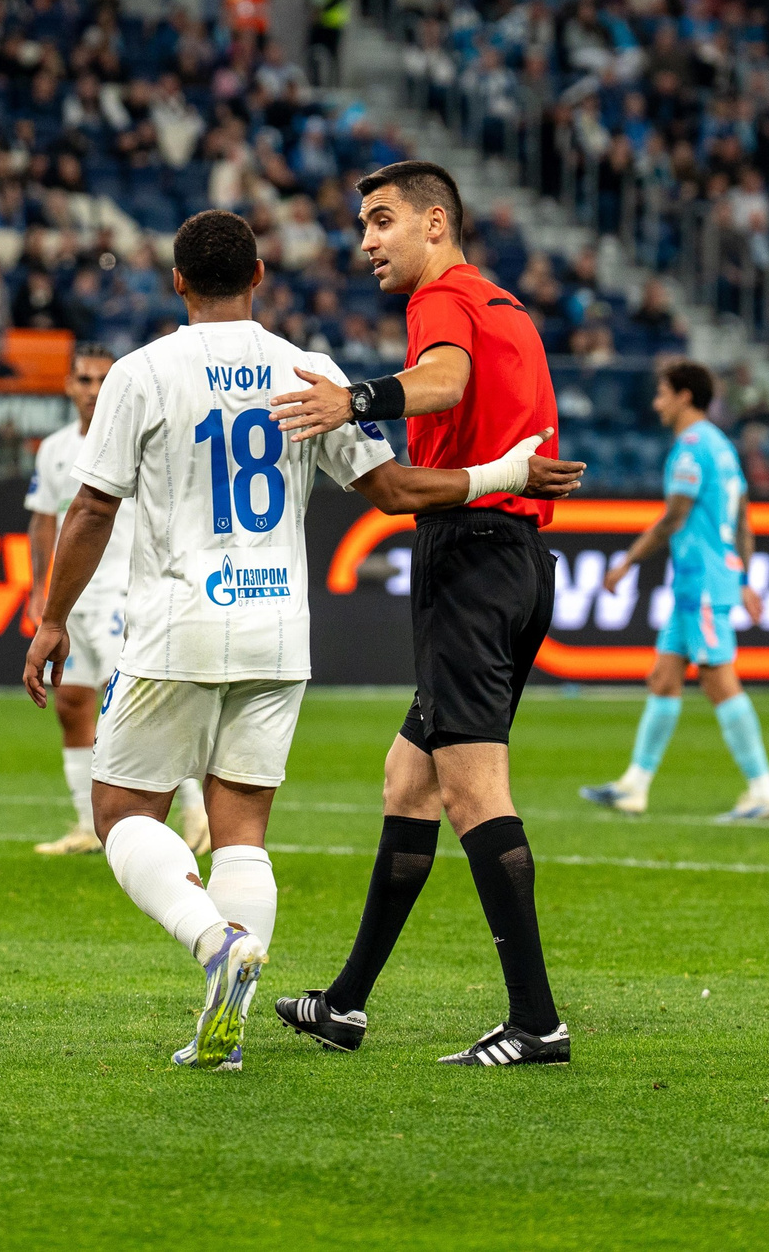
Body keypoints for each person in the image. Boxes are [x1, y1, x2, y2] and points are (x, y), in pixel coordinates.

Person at [20, 209, 580, 1071]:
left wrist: (53, 616)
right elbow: (394, 489)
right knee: (241, 826)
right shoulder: (308, 371)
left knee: (121, 812)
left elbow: (93, 506)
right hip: (279, 630)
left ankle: (214, 940)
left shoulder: (142, 372)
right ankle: (230, 1027)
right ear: (259, 280)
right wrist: (505, 472)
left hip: (178, 624)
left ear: (177, 283)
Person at [266, 159, 572, 1067]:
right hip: (517, 563)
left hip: (471, 558)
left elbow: (439, 381)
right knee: (410, 779)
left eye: (382, 220)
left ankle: (537, 1022)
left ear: (436, 223)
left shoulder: (442, 303)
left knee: (475, 790)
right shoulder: (505, 305)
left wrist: (354, 399)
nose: (367, 242)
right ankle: (347, 1005)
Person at [23, 342, 209, 857]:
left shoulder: (135, 439)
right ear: (68, 386)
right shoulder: (54, 447)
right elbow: (45, 519)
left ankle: (196, 811)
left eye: (104, 380)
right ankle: (87, 825)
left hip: (121, 592)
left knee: (133, 702)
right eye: (84, 380)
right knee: (73, 702)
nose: (93, 390)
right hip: (73, 600)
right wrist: (42, 589)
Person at [578, 360, 769, 822]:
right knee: (664, 678)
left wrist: (627, 562)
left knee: (718, 680)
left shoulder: (691, 447)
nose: (657, 402)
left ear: (685, 396)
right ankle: (634, 785)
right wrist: (746, 579)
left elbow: (674, 517)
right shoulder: (723, 447)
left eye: (663, 393)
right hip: (704, 579)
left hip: (702, 580)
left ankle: (764, 791)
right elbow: (742, 521)